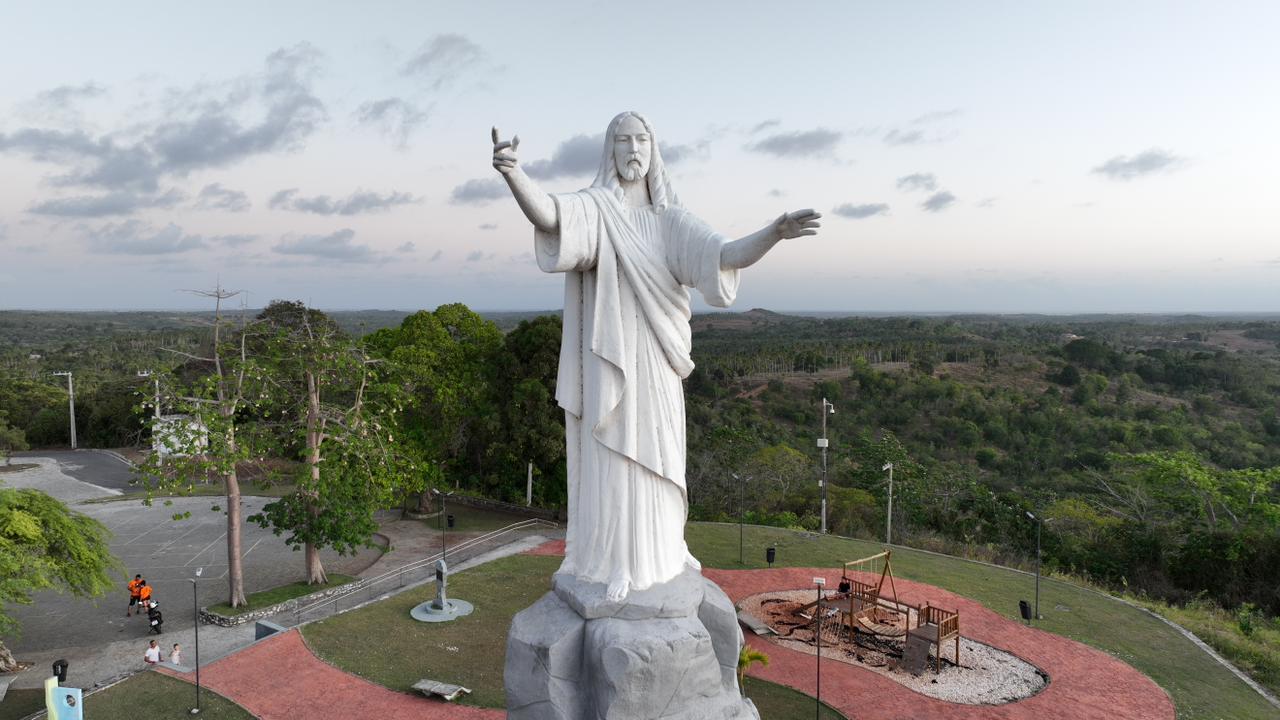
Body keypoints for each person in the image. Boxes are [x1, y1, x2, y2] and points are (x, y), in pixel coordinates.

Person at [492, 112, 820, 600]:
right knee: (615, 458)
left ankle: (663, 553)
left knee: (660, 457)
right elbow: (551, 217)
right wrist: (514, 173)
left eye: (641, 139)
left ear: (653, 150)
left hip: (658, 365)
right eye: (622, 140)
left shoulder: (671, 221)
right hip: (610, 362)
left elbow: (724, 255)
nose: (632, 149)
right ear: (610, 151)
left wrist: (773, 232)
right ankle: (614, 562)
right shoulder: (598, 210)